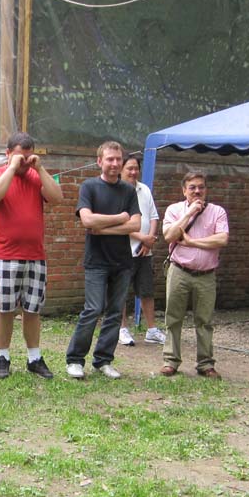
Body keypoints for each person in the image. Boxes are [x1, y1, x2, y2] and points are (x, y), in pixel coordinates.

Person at [0, 131, 64, 379]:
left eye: (28, 157)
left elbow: (57, 198)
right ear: (7, 154)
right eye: (19, 156)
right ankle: (3, 356)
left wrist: (38, 170)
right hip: (5, 254)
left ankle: (34, 358)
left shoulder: (36, 176)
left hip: (35, 255)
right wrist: (12, 167)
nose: (23, 162)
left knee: (32, 309)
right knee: (5, 308)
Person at [64, 142, 140, 380]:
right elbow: (87, 221)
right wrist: (120, 218)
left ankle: (103, 360)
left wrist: (103, 227)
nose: (115, 163)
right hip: (96, 261)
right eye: (110, 159)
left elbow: (136, 225)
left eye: (118, 159)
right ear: (100, 162)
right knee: (93, 309)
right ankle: (75, 360)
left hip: (122, 262)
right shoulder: (89, 187)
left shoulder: (128, 191)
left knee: (115, 313)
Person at [160, 171, 229, 378]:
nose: (197, 191)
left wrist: (192, 242)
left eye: (201, 187)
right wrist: (189, 213)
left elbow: (222, 239)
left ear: (206, 189)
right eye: (192, 187)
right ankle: (171, 361)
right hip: (179, 271)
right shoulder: (174, 210)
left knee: (205, 320)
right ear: (184, 191)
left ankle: (205, 364)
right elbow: (169, 236)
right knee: (173, 317)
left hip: (207, 274)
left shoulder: (217, 212)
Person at [117, 154, 165, 347]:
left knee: (146, 290)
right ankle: (121, 328)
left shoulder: (144, 189)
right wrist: (142, 238)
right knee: (121, 291)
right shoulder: (117, 190)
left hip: (145, 251)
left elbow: (153, 216)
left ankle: (152, 330)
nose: (133, 172)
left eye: (136, 168)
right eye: (129, 168)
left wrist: (150, 240)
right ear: (121, 169)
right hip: (123, 250)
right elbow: (120, 222)